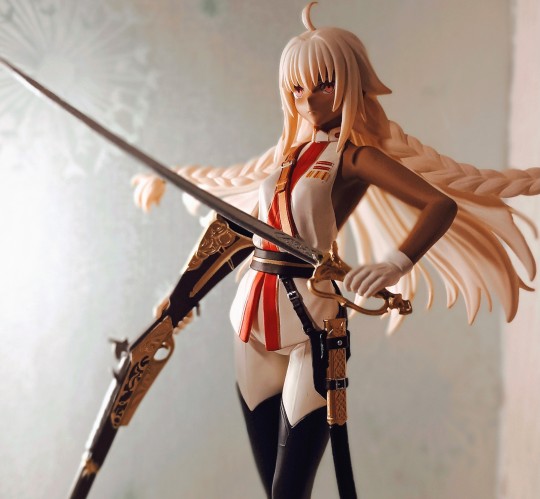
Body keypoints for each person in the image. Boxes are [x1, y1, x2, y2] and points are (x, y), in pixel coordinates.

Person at [132, 3, 537, 497]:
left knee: (289, 490)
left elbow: (439, 205)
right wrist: (180, 300)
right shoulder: (285, 157)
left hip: (312, 323)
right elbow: (237, 232)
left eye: (321, 85)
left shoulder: (353, 158)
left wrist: (395, 262)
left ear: (348, 82)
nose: (307, 100)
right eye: (296, 89)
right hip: (250, 320)